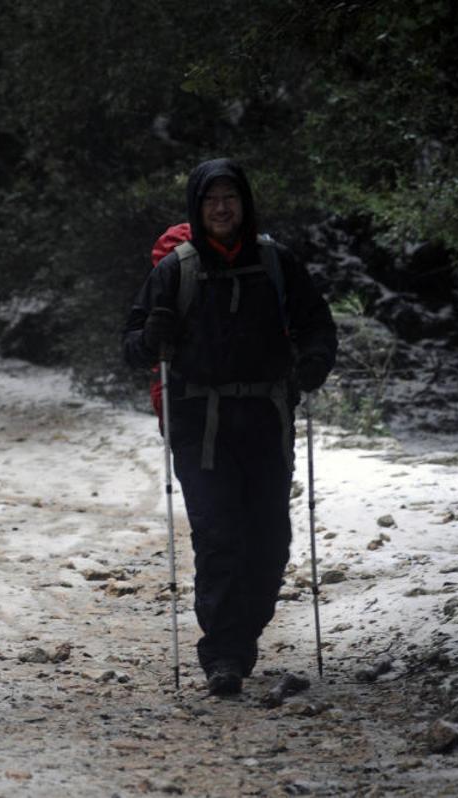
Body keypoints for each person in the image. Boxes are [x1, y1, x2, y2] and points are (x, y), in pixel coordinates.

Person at [122, 158, 337, 695]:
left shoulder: (275, 262)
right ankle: (224, 654)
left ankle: (243, 633)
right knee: (220, 536)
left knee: (269, 540)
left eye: (230, 198)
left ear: (245, 204)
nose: (222, 209)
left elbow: (317, 323)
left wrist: (312, 363)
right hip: (201, 424)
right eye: (211, 200)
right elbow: (131, 347)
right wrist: (153, 336)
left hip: (266, 419)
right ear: (197, 207)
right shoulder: (176, 268)